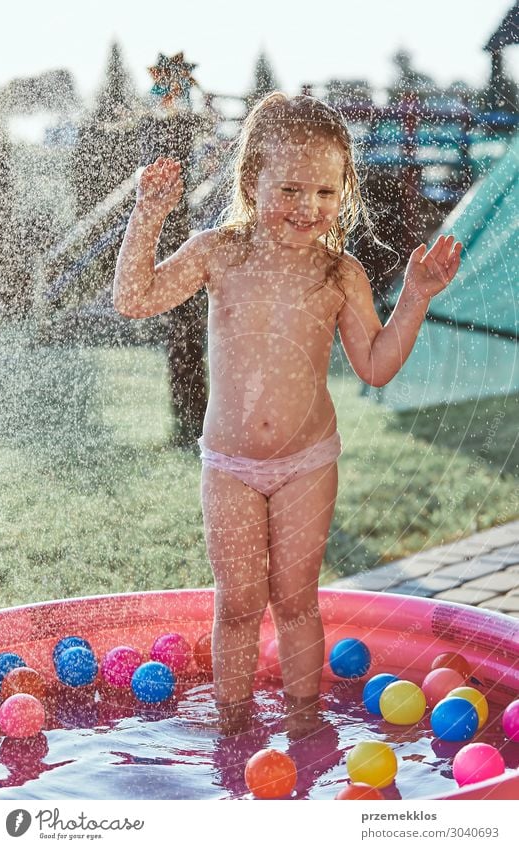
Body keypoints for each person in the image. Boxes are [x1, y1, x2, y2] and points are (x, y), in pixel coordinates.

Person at [113, 92, 462, 730]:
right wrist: (147, 215)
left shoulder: (339, 273)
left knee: (297, 599)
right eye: (292, 189)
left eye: (326, 193)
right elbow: (135, 298)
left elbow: (377, 366)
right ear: (253, 181)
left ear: (343, 191)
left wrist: (413, 297)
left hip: (306, 462)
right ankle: (231, 723)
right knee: (240, 602)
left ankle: (304, 723)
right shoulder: (220, 251)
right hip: (230, 464)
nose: (309, 208)